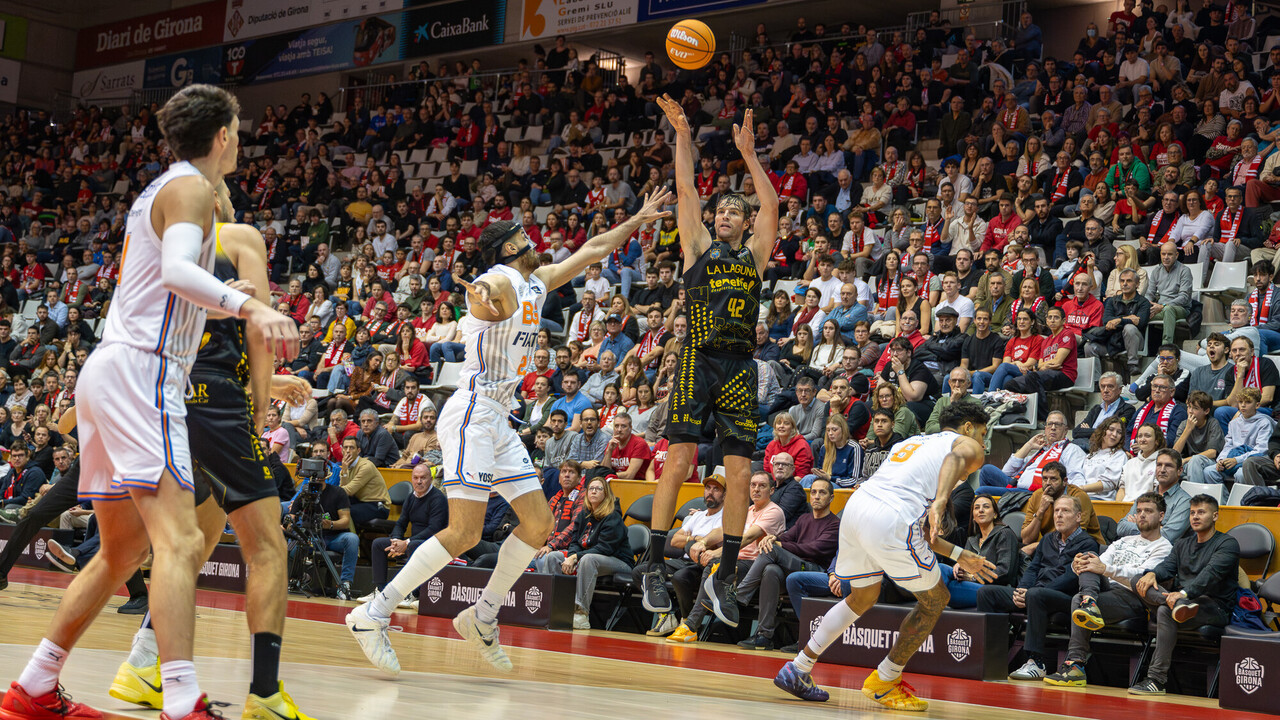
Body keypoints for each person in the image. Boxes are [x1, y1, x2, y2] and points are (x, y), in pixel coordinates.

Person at [4, 85, 300, 720]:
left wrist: (227, 298)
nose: (240, 140)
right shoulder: (190, 186)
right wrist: (248, 306)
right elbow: (175, 272)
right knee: (183, 540)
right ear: (222, 135)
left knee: (121, 553)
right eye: (238, 130)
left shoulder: (161, 190)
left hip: (110, 370)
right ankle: (183, 699)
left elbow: (164, 289)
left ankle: (33, 687)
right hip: (145, 375)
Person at [346, 186, 674, 675]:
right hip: (471, 413)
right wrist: (481, 300)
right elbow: (485, 295)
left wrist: (638, 220)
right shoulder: (496, 280)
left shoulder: (536, 281)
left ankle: (481, 617)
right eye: (525, 236)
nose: (534, 240)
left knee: (539, 524)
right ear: (509, 247)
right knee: (464, 531)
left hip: (499, 418)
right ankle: (373, 613)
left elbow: (591, 250)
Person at [108, 217, 317, 720]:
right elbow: (257, 333)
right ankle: (266, 695)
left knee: (197, 534)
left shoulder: (153, 248)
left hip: (157, 395)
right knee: (267, 546)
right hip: (213, 399)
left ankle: (142, 664)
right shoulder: (237, 235)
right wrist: (261, 403)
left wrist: (272, 382)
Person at [641, 96, 780, 630]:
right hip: (698, 360)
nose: (724, 215)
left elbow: (772, 207)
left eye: (733, 212)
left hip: (740, 365)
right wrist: (683, 136)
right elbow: (685, 190)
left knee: (741, 473)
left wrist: (749, 155)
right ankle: (655, 565)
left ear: (745, 223)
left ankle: (724, 575)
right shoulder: (697, 246)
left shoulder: (755, 255)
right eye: (720, 210)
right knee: (679, 461)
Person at [773, 404, 997, 711]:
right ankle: (886, 679)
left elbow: (925, 535)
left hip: (857, 508)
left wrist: (959, 554)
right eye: (983, 434)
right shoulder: (965, 446)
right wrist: (942, 500)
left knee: (862, 597)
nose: (983, 443)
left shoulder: (912, 443)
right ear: (968, 427)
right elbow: (957, 458)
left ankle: (798, 668)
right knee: (935, 599)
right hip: (892, 517)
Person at [1044, 492, 1173, 687]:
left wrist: (1105, 569)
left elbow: (1141, 576)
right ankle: (1088, 606)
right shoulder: (1123, 541)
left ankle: (1076, 663)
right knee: (1088, 557)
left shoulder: (1164, 547)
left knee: (1079, 597)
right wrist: (1076, 565)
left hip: (1133, 596)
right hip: (1105, 589)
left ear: (1161, 516)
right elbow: (1098, 563)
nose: (1142, 515)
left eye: (1148, 511)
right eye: (1139, 511)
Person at [1128, 494, 1240, 696]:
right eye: (1192, 513)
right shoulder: (1182, 544)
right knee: (1138, 579)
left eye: (1201, 512)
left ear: (1215, 516)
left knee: (1164, 611)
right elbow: (1166, 568)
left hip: (1213, 606)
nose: (1195, 517)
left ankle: (1156, 680)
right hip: (1180, 602)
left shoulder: (1227, 544)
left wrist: (1183, 594)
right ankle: (1176, 605)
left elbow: (1210, 576)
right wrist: (1152, 574)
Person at [979, 494, 1100, 680]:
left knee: (1036, 595)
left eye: (1065, 511)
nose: (1059, 515)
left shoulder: (1088, 543)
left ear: (1078, 517)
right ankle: (988, 657)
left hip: (1065, 599)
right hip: (1034, 594)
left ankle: (1036, 661)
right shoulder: (1047, 539)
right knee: (986, 593)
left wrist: (1031, 592)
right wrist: (1022, 590)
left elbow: (1071, 578)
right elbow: (1033, 568)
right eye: (1056, 511)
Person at [735, 478, 840, 650]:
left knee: (772, 550)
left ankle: (739, 595)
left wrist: (779, 544)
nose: (816, 496)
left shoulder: (835, 524)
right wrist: (773, 538)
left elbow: (813, 549)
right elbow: (787, 537)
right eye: (814, 492)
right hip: (794, 569)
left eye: (822, 492)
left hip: (816, 571)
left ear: (831, 498)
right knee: (771, 570)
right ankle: (764, 635)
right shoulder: (804, 518)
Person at [546, 477, 633, 630]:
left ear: (606, 494)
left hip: (619, 562)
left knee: (588, 559)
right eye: (591, 488)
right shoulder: (584, 515)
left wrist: (575, 557)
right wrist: (572, 556)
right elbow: (574, 541)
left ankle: (581, 613)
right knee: (553, 556)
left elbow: (605, 548)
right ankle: (555, 608)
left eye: (598, 489)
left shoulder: (613, 516)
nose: (593, 491)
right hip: (588, 557)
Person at [362, 463, 448, 604]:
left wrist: (406, 543)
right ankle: (381, 591)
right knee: (378, 544)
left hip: (434, 543)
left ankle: (413, 594)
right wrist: (396, 540)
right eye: (416, 478)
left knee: (414, 546)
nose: (419, 481)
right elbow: (401, 523)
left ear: (431, 479)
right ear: (412, 479)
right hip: (413, 541)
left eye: (423, 478)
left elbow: (434, 529)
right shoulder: (411, 497)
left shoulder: (438, 499)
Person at [938, 494, 1020, 608]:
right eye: (976, 508)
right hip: (970, 586)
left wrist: (972, 577)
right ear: (973, 517)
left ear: (995, 514)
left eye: (986, 507)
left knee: (942, 572)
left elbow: (1004, 572)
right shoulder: (972, 540)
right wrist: (959, 567)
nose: (981, 510)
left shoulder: (1005, 534)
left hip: (995, 590)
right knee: (943, 574)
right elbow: (965, 569)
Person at [977, 410, 1086, 494]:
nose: (1053, 428)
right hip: (1017, 486)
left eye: (1057, 424)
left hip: (1035, 493)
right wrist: (1028, 445)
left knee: (982, 492)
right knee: (987, 470)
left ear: (1066, 430)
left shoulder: (1071, 449)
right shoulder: (1042, 451)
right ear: (1045, 429)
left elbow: (1077, 478)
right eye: (1050, 424)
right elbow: (1007, 472)